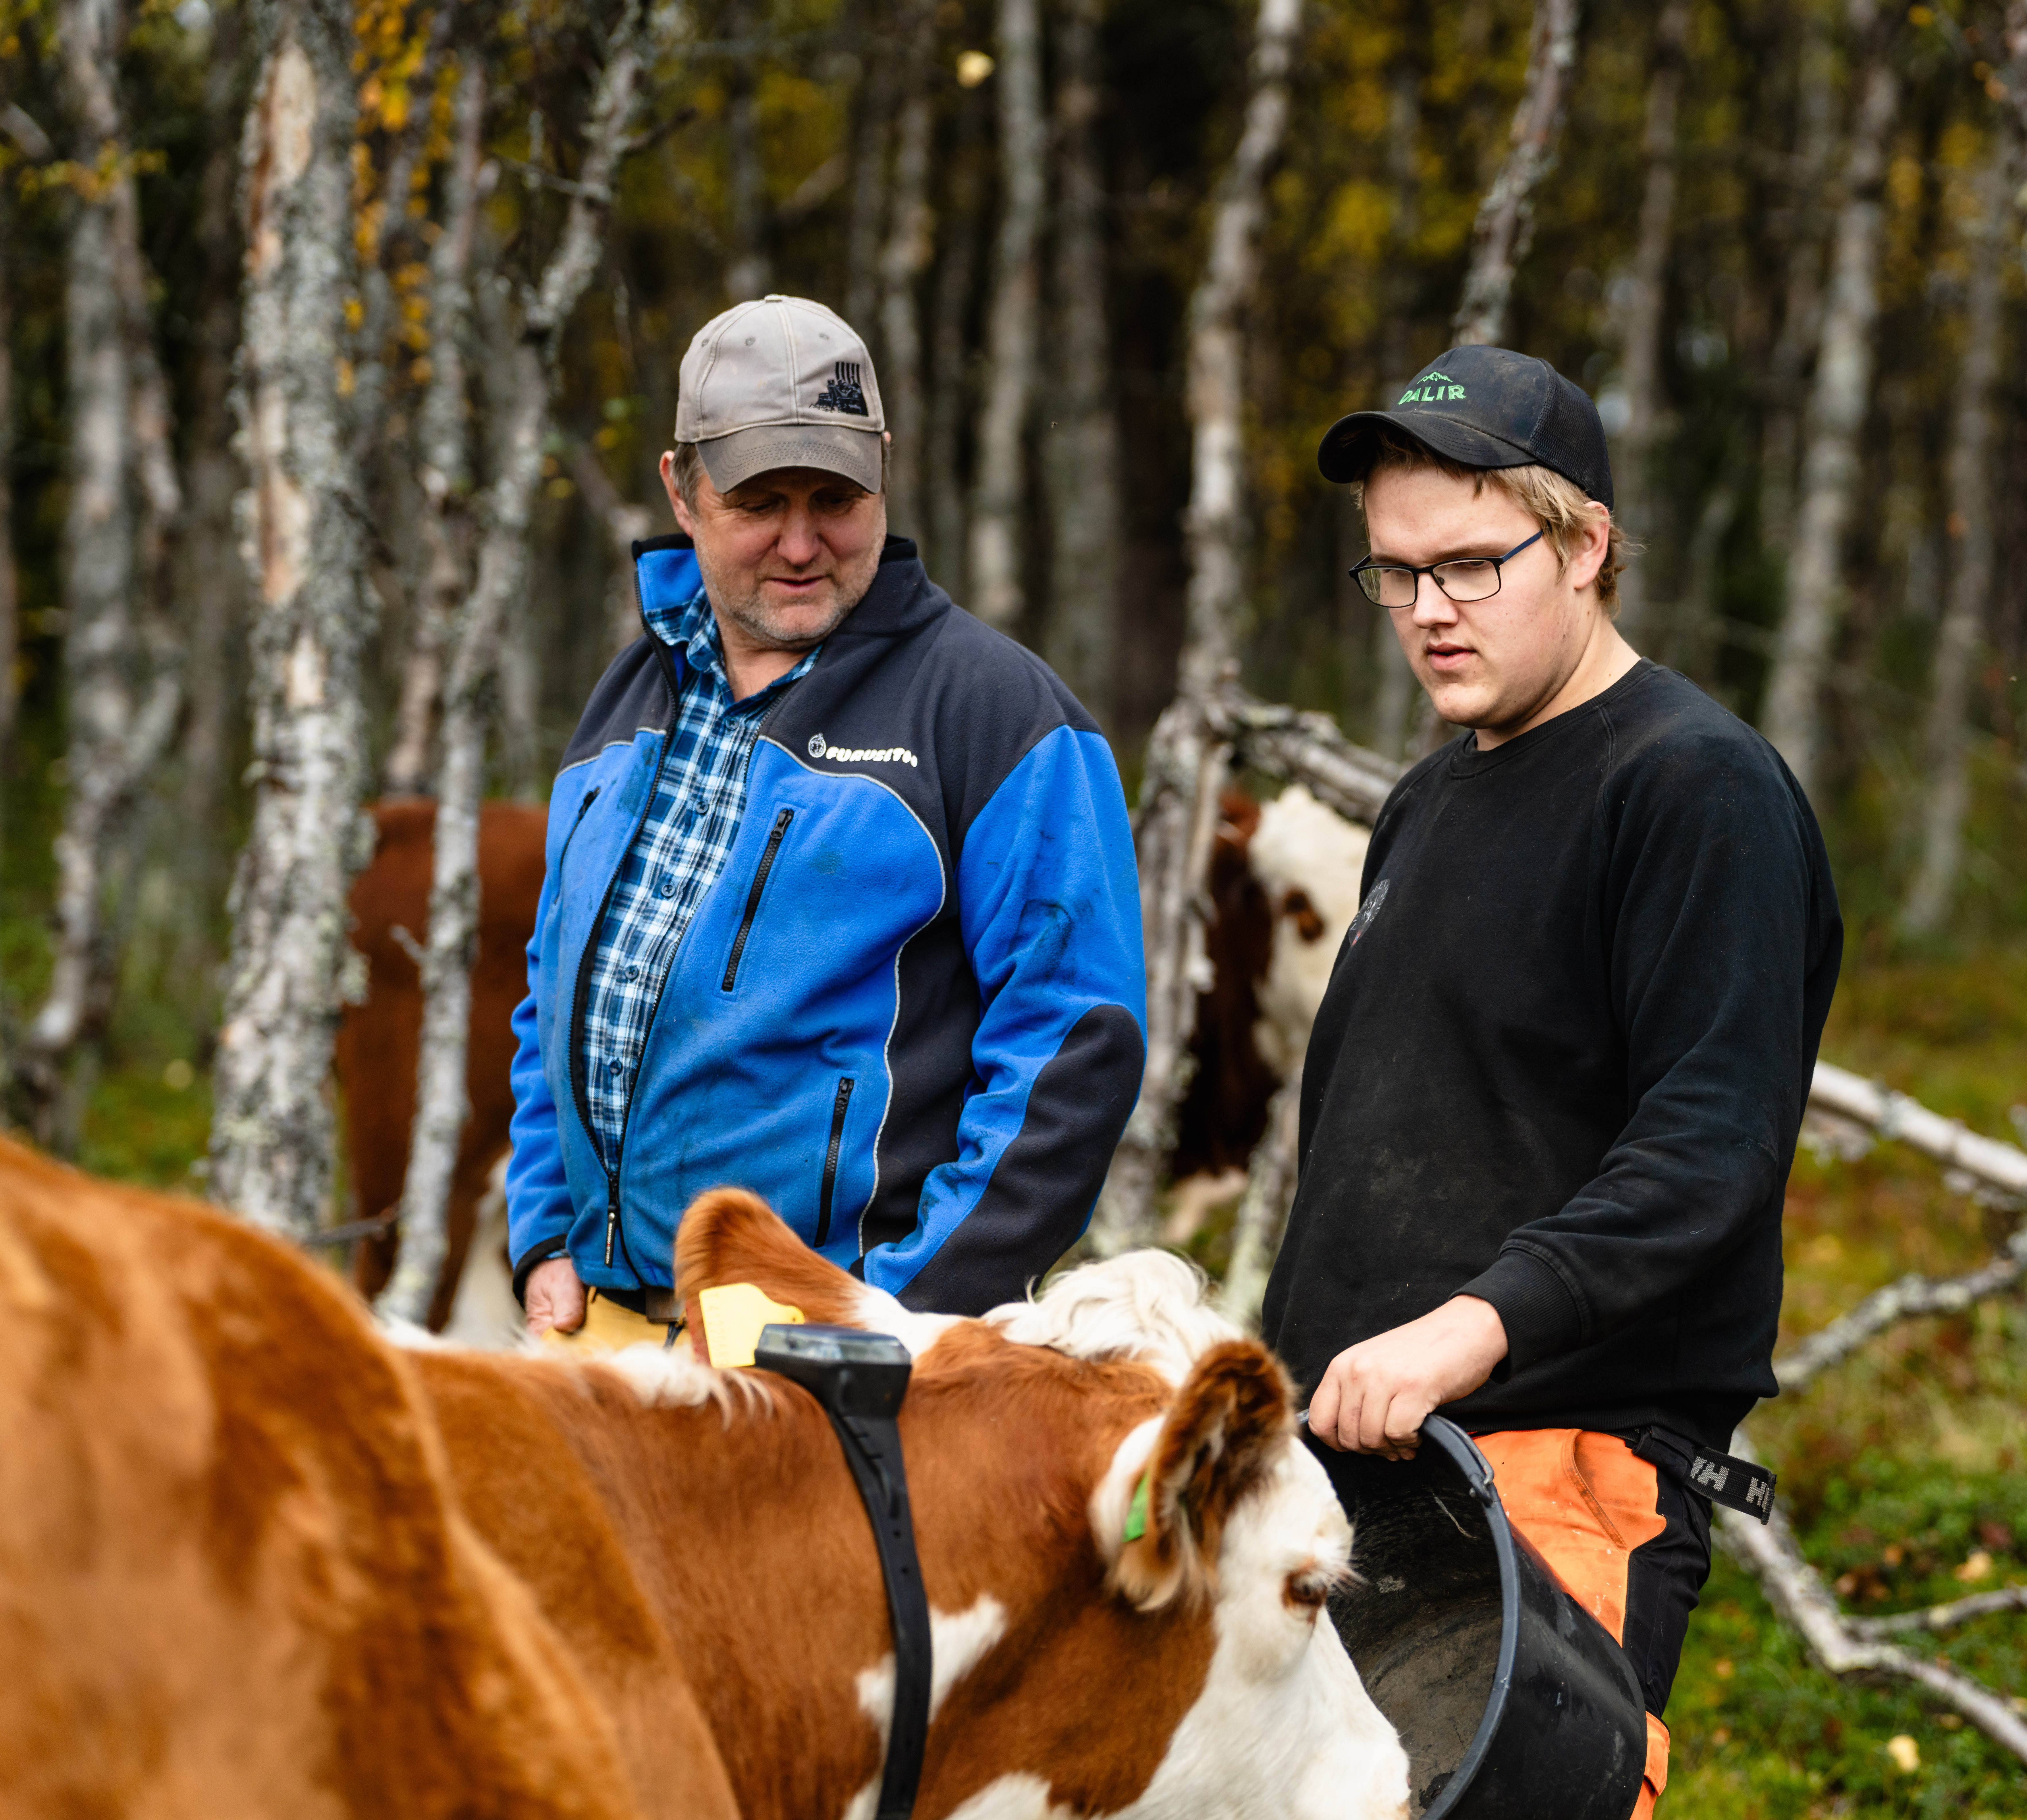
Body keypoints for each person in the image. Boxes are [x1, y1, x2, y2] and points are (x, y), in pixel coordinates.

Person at [1269, 345, 1842, 1818]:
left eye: (1470, 565)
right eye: (1396, 574)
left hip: (1560, 1472)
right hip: (1353, 1476)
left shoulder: (1694, 785)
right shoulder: (1426, 803)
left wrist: (1465, 1332)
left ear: (1585, 545)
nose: (1428, 610)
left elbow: (1708, 1149)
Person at [505, 295, 1146, 1347]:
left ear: (883, 471)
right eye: (760, 501)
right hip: (602, 1333)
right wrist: (541, 1234)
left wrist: (898, 1319)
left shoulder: (995, 714)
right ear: (682, 490)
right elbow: (554, 993)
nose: (801, 544)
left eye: (836, 499)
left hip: (831, 1348)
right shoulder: (626, 700)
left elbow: (1075, 1046)